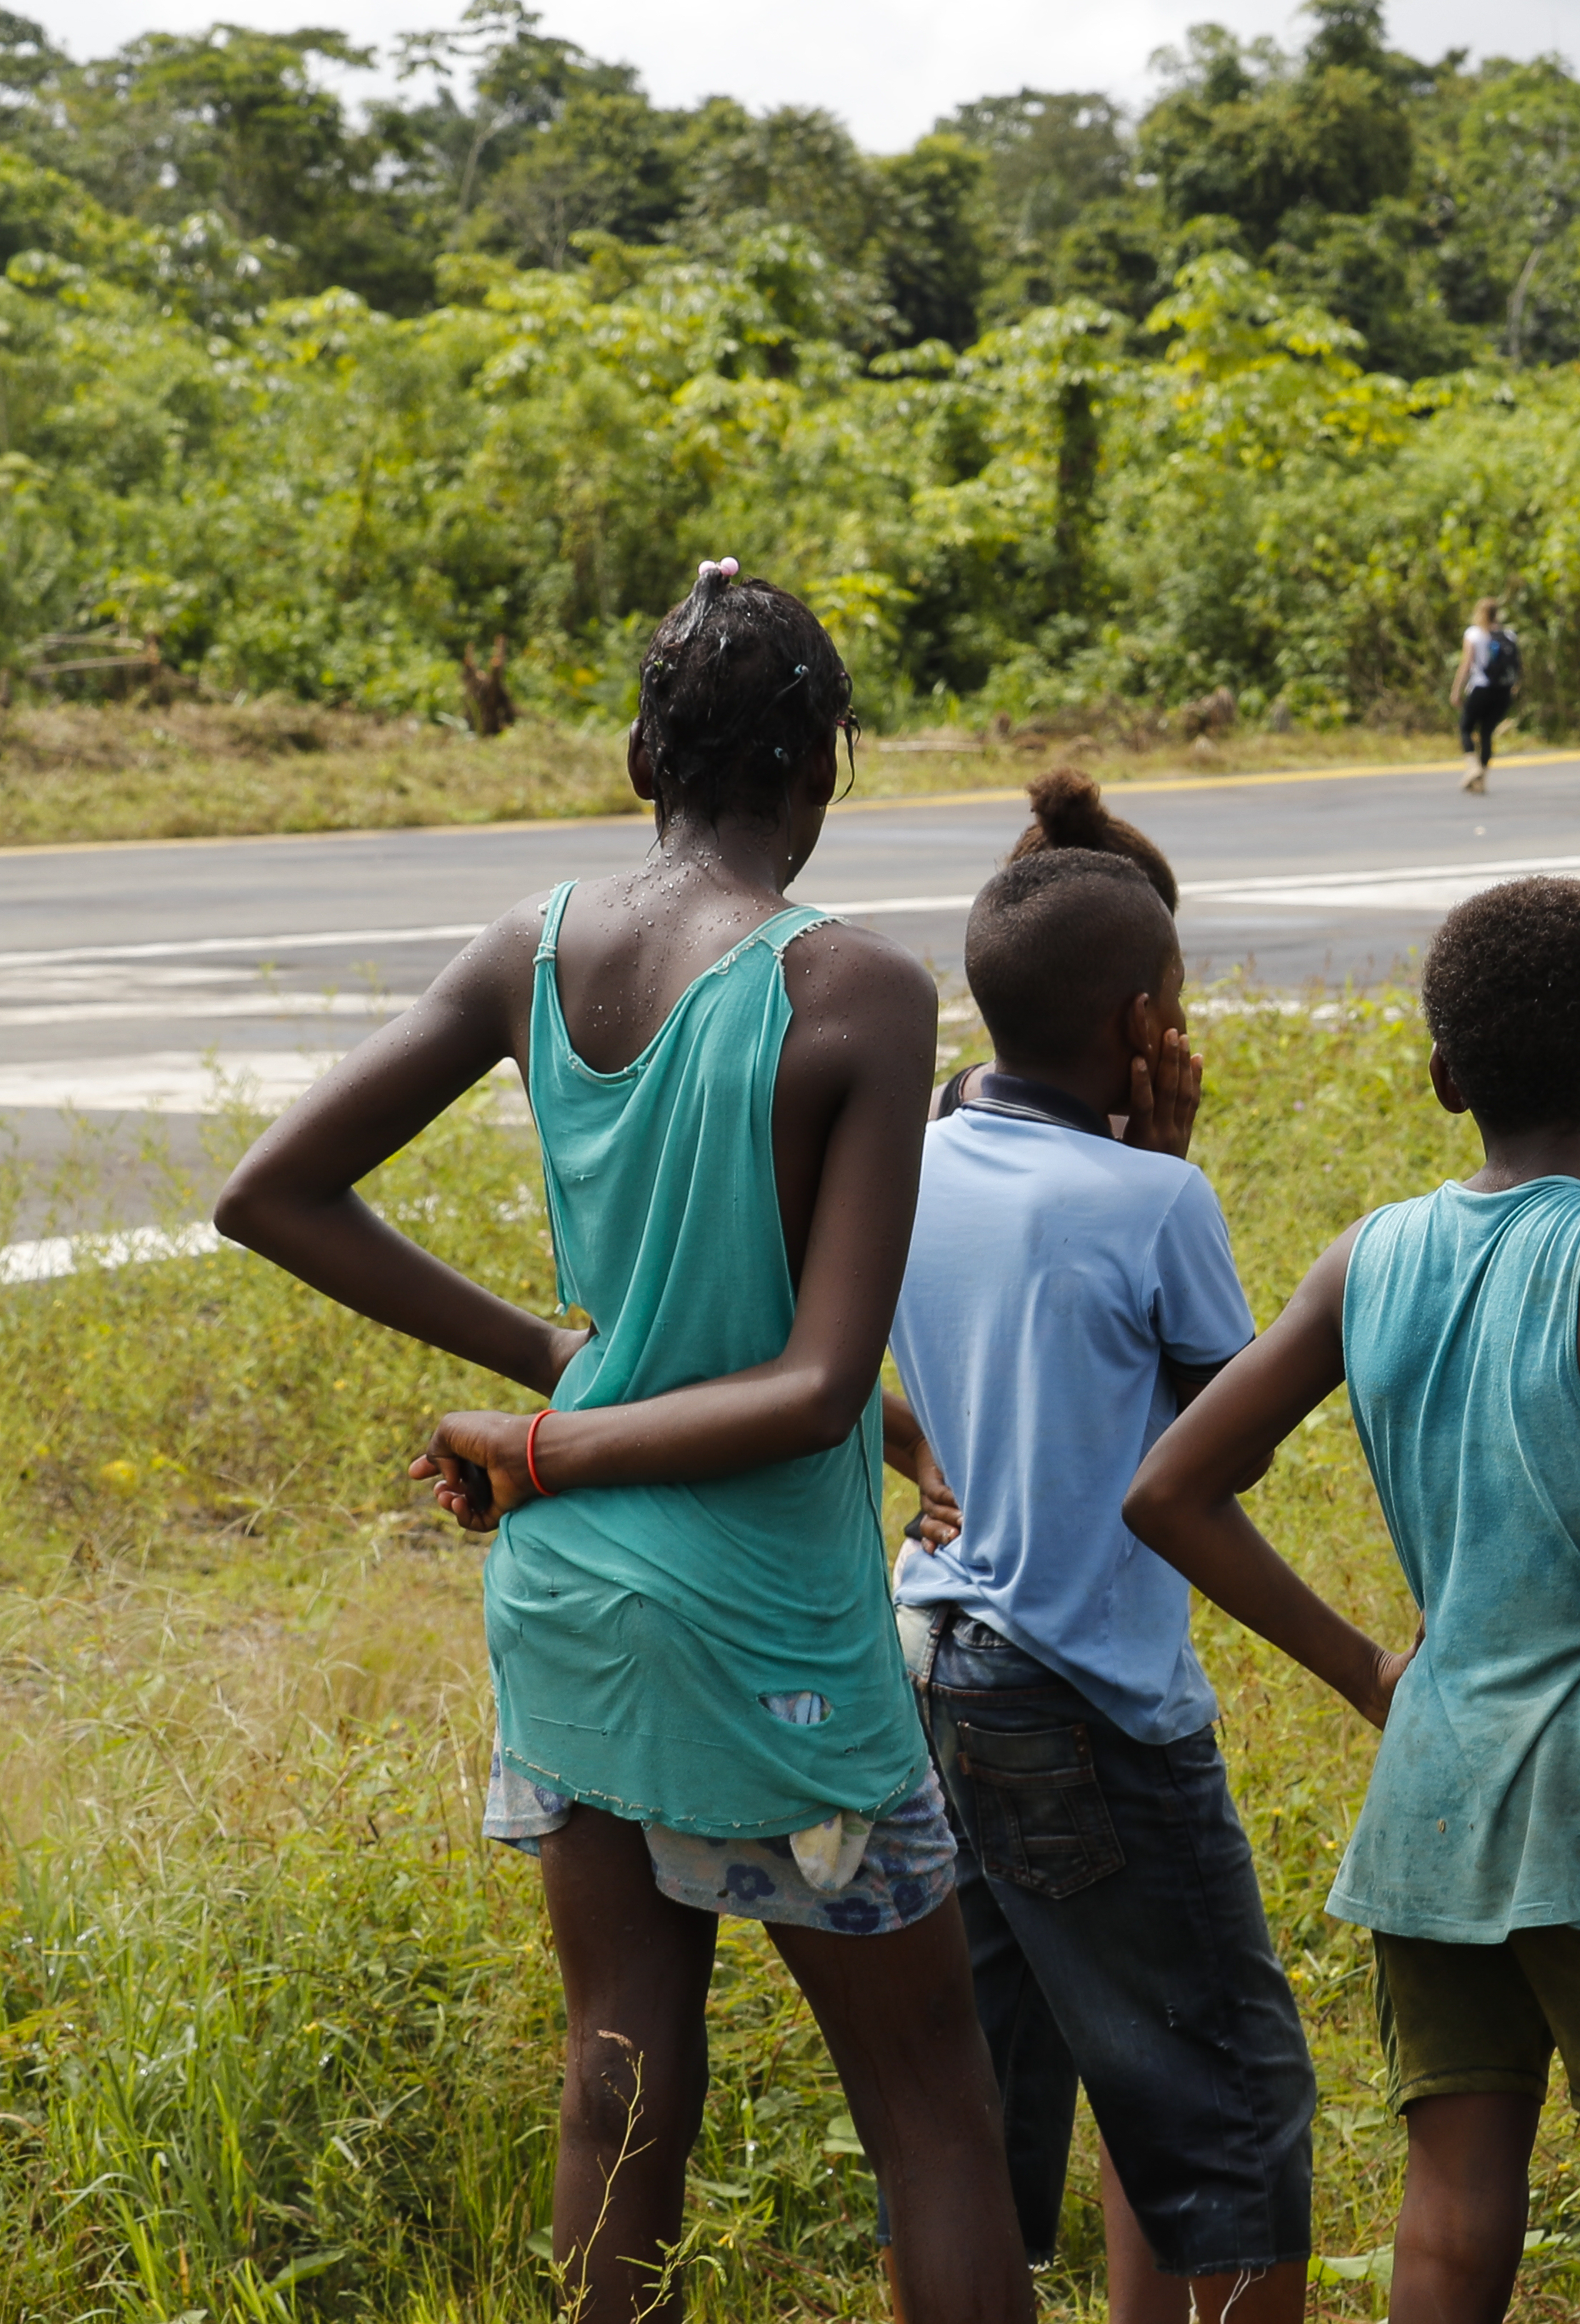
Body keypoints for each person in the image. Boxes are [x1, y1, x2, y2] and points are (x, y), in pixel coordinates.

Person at [211, 560, 1033, 2324]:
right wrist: (539, 1415)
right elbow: (808, 1384)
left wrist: (549, 1373)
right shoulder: (858, 994)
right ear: (821, 767)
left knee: (621, 2082)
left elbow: (269, 1190)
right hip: (769, 1627)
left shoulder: (539, 943)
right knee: (936, 2117)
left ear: (644, 754)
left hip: (573, 1610)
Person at [1124, 876, 1580, 2324]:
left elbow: (1169, 1489)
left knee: (1456, 2202)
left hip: (1432, 1792)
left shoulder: (1370, 1255)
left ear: (1441, 1077)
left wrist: (1369, 1671)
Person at [890, 847, 1316, 2323]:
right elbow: (1221, 1459)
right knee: (1233, 2109)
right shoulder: (1151, 1203)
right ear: (1146, 1022)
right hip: (1088, 1699)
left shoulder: (914, 1153)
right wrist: (1170, 1160)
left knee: (976, 2107)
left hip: (937, 1656)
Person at [935, 768, 1196, 1138]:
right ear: (1138, 1018)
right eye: (1175, 990)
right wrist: (1160, 1175)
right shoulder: (1149, 1135)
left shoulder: (931, 1124)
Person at [1454, 598, 1522, 795]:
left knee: (1466, 727)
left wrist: (1456, 690)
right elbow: (1517, 665)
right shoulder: (1508, 635)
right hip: (1503, 691)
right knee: (1486, 733)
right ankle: (1481, 779)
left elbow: (1466, 665)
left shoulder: (1474, 634)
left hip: (1481, 688)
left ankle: (1473, 767)